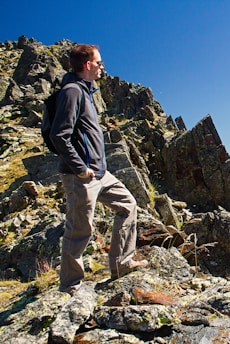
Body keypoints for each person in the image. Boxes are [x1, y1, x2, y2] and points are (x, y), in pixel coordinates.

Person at [50, 44, 148, 295]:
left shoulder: (86, 92)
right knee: (79, 229)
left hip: (100, 172)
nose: (103, 67)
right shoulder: (72, 91)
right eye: (99, 62)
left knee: (128, 205)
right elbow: (59, 135)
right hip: (81, 175)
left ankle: (121, 264)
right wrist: (81, 169)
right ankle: (70, 286)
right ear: (87, 65)